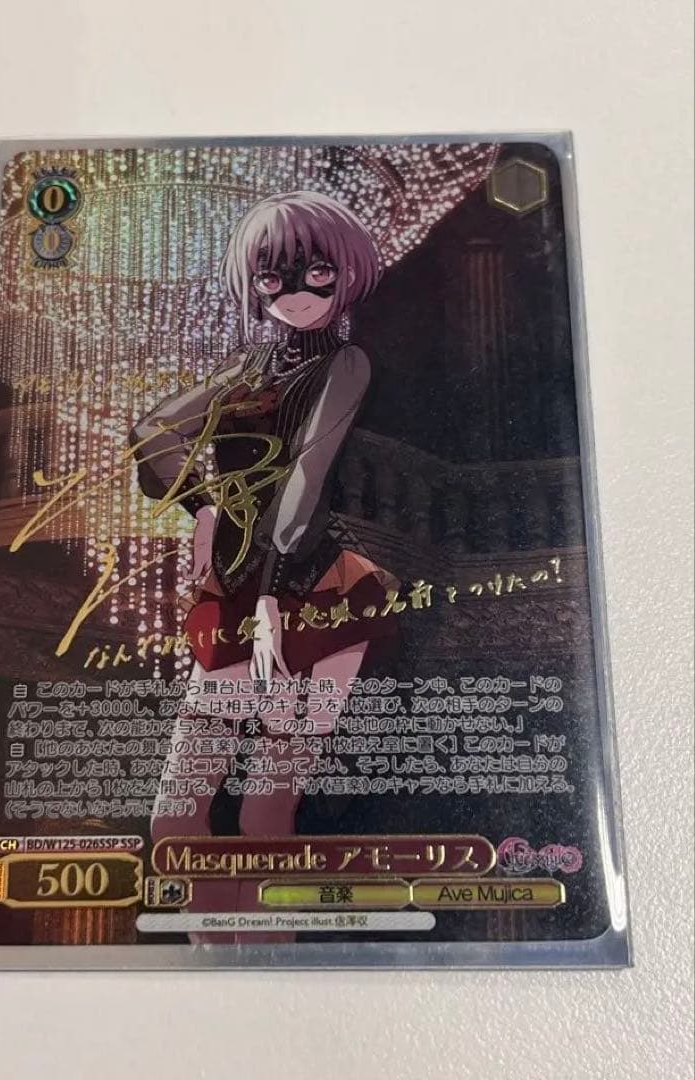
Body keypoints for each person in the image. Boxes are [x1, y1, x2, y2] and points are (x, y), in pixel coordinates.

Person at [131, 190, 398, 942]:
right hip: (241, 588)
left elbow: (309, 473)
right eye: (274, 277)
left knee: (265, 810)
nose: (295, 292)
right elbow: (151, 432)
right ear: (254, 283)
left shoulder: (346, 362)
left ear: (344, 274)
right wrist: (205, 507)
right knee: (176, 813)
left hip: (317, 590)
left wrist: (272, 596)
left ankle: (267, 963)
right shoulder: (247, 367)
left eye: (317, 273)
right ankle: (217, 958)